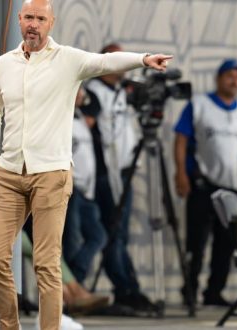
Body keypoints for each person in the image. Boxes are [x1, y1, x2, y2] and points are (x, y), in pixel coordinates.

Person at [0, 0, 171, 329]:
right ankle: (8, 326)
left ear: (50, 23)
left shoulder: (67, 59)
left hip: (51, 174)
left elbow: (106, 60)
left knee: (46, 263)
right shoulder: (4, 63)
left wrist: (142, 59)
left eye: (40, 18)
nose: (33, 24)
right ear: (21, 20)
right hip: (8, 173)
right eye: (28, 17)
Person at [174, 59, 237, 307]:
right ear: (219, 78)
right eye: (230, 76)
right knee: (196, 242)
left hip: (231, 187)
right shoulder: (199, 105)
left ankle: (214, 291)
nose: (234, 81)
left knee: (227, 242)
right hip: (202, 185)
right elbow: (181, 139)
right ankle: (189, 290)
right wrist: (180, 173)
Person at [84, 43, 155, 312]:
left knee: (121, 234)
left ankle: (129, 287)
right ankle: (125, 288)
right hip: (105, 175)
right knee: (113, 233)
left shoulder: (123, 92)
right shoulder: (94, 92)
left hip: (123, 171)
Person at [62, 87, 107, 284]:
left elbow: (96, 104)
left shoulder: (81, 116)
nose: (82, 95)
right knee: (71, 240)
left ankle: (74, 280)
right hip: (72, 187)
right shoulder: (60, 117)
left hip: (87, 190)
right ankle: (70, 289)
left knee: (98, 236)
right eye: (77, 90)